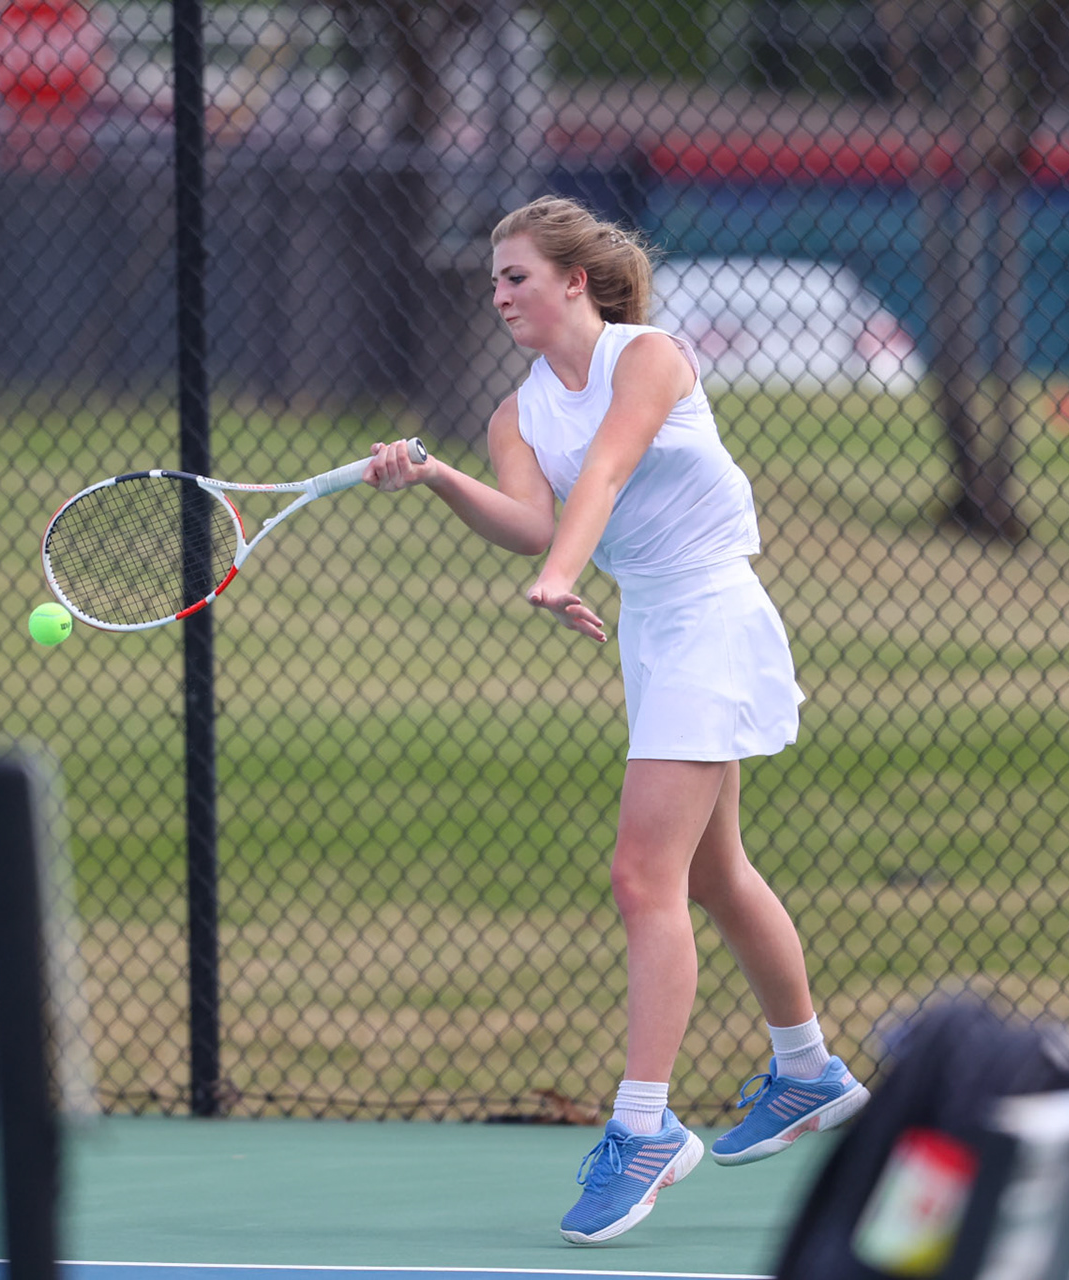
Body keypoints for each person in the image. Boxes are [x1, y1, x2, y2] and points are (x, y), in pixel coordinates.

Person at [363, 196, 868, 1245]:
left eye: (516, 277)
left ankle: (644, 1128)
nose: (500, 296)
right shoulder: (515, 416)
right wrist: (438, 476)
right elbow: (530, 517)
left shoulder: (650, 357)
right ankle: (810, 1070)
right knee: (713, 873)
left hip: (714, 613)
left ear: (574, 281)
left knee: (643, 876)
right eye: (494, 282)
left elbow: (606, 468)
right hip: (655, 632)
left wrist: (561, 574)